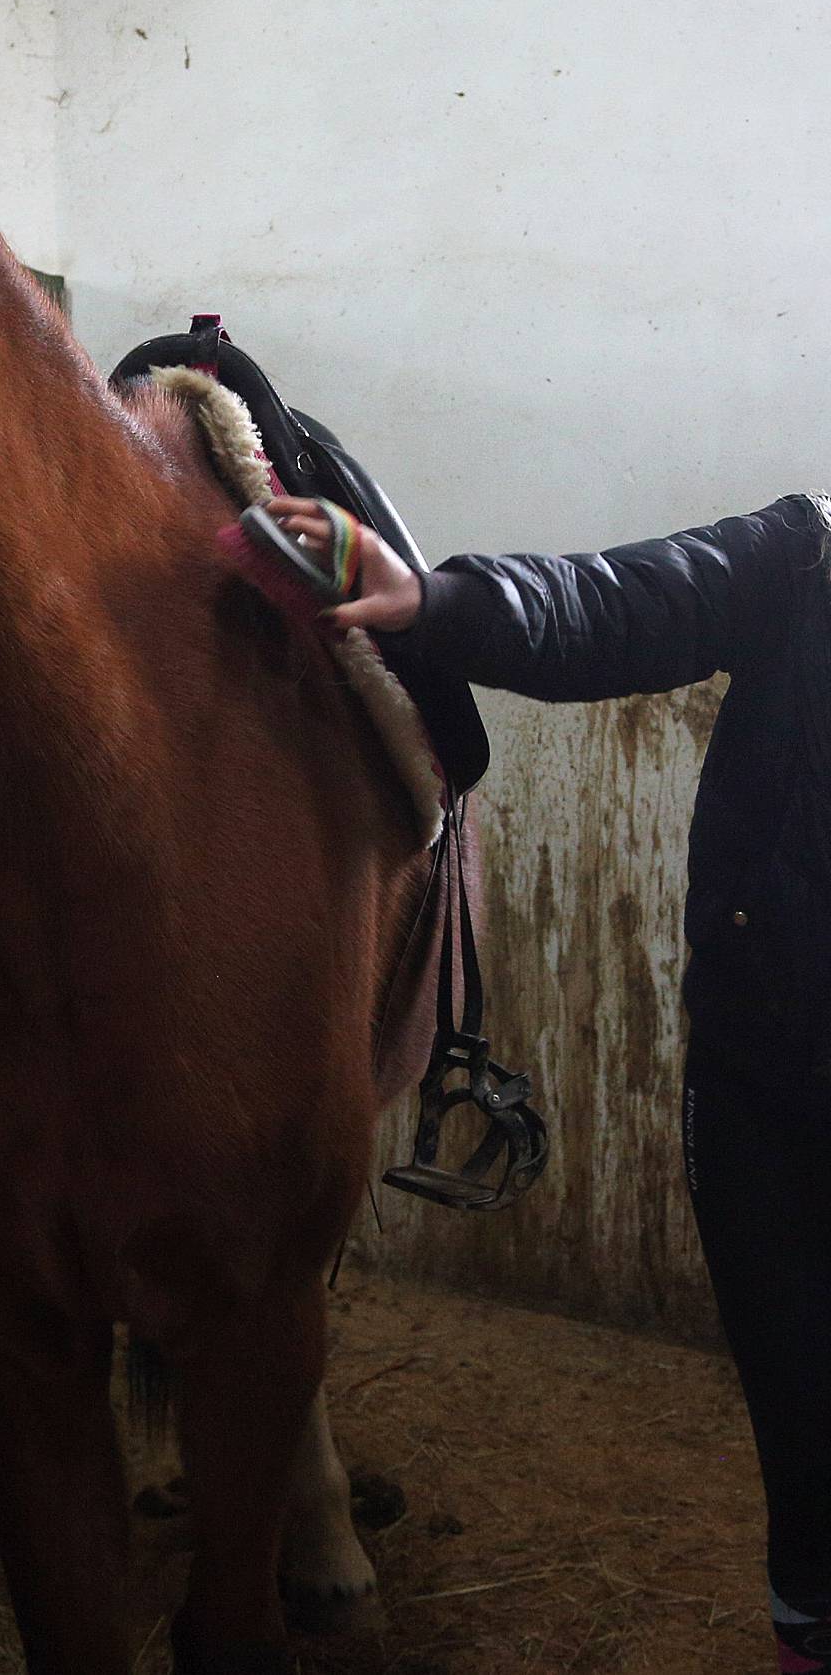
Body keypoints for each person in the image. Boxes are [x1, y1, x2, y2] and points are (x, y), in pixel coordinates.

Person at [265, 488, 831, 1675]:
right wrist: (433, 599)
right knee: (805, 1439)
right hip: (772, 1091)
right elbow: (620, 603)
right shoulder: (808, 554)